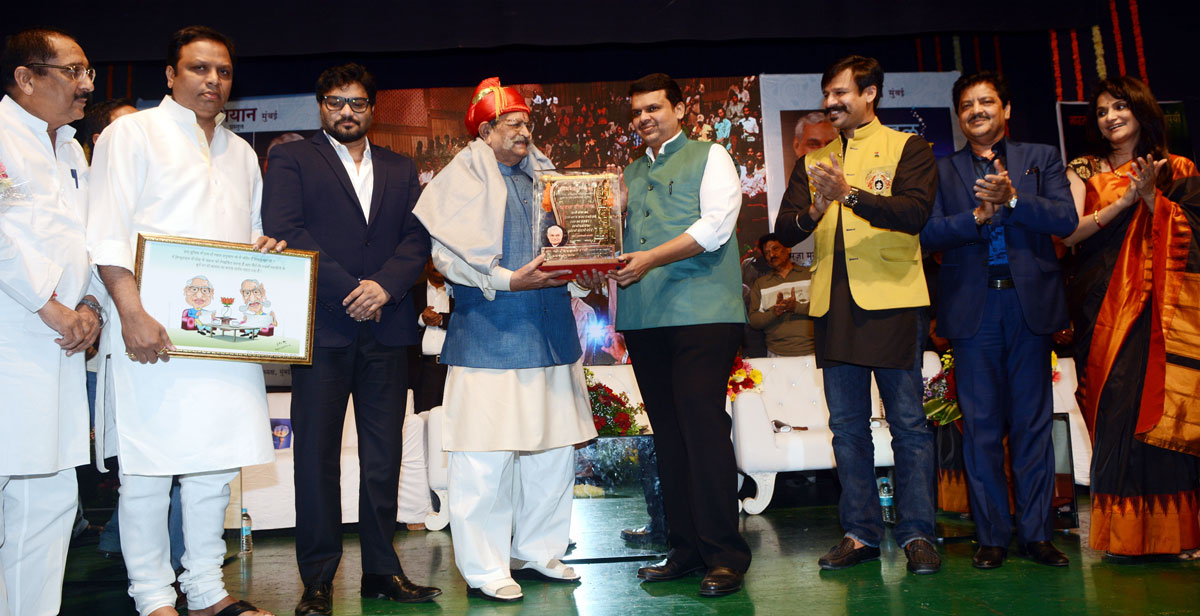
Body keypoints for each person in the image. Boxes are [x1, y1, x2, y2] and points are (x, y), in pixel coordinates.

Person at [87, 26, 283, 616]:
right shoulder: (132, 133)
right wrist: (131, 312)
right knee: (147, 469)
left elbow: (246, 238)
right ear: (171, 76)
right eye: (198, 69)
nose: (212, 81)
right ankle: (152, 598)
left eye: (222, 72)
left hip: (222, 334)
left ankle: (205, 590)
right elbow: (107, 231)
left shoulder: (241, 152)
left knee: (214, 468)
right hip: (152, 332)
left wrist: (264, 255)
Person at [261, 62, 440, 614]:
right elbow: (287, 230)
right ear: (320, 106)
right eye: (335, 101)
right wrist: (352, 290)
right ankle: (317, 580)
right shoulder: (292, 158)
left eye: (357, 103)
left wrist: (384, 288)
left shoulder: (400, 166)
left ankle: (383, 572)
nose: (346, 111)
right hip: (325, 329)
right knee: (315, 457)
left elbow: (417, 239)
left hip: (387, 331)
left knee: (383, 458)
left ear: (372, 108)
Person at [413, 77, 596, 602]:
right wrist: (508, 280)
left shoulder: (552, 181)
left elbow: (579, 251)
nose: (524, 132)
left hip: (551, 333)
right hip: (489, 335)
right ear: (486, 130)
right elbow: (447, 260)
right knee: (484, 458)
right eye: (512, 124)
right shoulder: (459, 181)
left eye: (526, 123)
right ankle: (486, 566)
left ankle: (540, 551)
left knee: (553, 450)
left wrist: (587, 264)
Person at [775, 55, 941, 574]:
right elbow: (784, 229)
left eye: (842, 93)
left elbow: (914, 213)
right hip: (832, 305)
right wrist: (817, 209)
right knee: (847, 428)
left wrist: (850, 194)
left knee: (909, 425)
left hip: (893, 300)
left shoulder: (908, 147)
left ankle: (917, 534)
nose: (832, 103)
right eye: (828, 94)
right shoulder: (813, 160)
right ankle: (860, 533)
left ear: (870, 94)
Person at [919, 71, 1077, 568]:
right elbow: (927, 235)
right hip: (974, 311)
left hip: (1028, 309)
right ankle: (991, 536)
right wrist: (978, 218)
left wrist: (1011, 200)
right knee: (981, 427)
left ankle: (1036, 535)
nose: (976, 111)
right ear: (958, 116)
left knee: (1032, 426)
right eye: (966, 105)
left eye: (986, 101)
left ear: (1005, 110)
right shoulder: (942, 171)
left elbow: (1066, 220)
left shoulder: (1041, 158)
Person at [603, 73, 749, 597]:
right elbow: (617, 241)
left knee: (700, 425)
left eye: (654, 108)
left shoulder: (711, 156)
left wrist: (649, 259)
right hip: (645, 317)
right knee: (668, 433)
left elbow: (715, 227)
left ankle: (725, 555)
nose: (644, 118)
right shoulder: (629, 173)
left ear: (680, 109)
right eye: (637, 111)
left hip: (702, 313)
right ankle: (685, 550)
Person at [1060, 75, 1200, 560]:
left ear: (1141, 109)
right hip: (1100, 306)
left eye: (1119, 106)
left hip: (1162, 312)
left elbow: (1195, 231)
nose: (1111, 116)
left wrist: (1152, 198)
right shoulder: (1083, 170)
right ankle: (1124, 537)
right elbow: (1067, 235)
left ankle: (1177, 535)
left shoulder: (1176, 168)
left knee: (1162, 411)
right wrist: (1125, 199)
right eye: (1101, 111)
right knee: (1114, 409)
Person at [0, 27, 102, 616]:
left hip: (59, 350)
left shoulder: (71, 148)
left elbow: (85, 242)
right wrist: (49, 304)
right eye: (73, 71)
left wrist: (88, 306)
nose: (85, 84)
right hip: (13, 338)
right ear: (26, 77)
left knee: (51, 497)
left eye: (88, 71)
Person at [748, 233, 813, 357]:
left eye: (775, 248)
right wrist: (774, 312)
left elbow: (825, 309)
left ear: (788, 249)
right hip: (776, 354)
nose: (772, 255)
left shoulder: (809, 276)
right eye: (767, 253)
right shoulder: (761, 284)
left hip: (812, 351)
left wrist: (796, 307)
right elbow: (754, 321)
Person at [410, 258, 453, 414]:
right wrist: (422, 319)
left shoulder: (459, 292)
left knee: (452, 416)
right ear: (427, 265)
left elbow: (467, 321)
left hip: (451, 368)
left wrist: (442, 319)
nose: (438, 266)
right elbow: (402, 323)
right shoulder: (413, 292)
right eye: (434, 261)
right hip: (423, 369)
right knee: (423, 417)